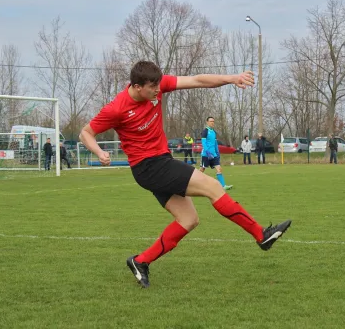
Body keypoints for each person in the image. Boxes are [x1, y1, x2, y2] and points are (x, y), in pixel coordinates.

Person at [79, 60, 291, 288]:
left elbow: (197, 80)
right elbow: (86, 133)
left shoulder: (157, 86)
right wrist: (99, 151)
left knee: (189, 220)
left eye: (159, 85)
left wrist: (232, 78)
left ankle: (140, 261)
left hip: (160, 163)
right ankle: (261, 235)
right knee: (212, 187)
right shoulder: (117, 108)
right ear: (138, 86)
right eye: (152, 87)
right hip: (148, 166)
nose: (158, 91)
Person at [199, 117, 232, 191]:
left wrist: (217, 153)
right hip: (206, 154)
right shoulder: (205, 131)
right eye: (211, 121)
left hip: (214, 155)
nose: (212, 122)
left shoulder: (214, 132)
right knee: (202, 170)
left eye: (213, 121)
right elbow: (203, 143)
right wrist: (207, 152)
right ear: (207, 122)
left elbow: (215, 144)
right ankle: (196, 183)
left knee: (219, 169)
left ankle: (223, 186)